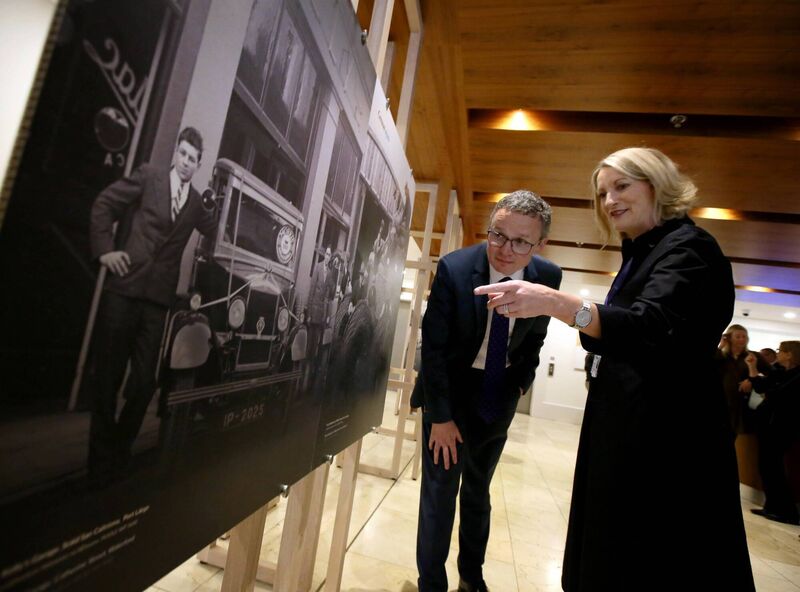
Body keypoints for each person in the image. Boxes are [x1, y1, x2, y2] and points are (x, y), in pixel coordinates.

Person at [475, 148, 755, 591]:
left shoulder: (689, 247)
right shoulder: (641, 251)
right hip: (627, 427)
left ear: (657, 184)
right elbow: (613, 329)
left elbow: (649, 326)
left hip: (665, 439)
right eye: (603, 192)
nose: (609, 200)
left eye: (621, 186)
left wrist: (556, 303)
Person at [411, 190, 561, 592]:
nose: (505, 250)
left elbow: (534, 341)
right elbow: (435, 348)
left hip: (498, 390)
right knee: (441, 492)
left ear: (538, 244)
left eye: (520, 242)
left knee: (478, 489)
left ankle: (471, 578)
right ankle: (432, 583)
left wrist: (516, 387)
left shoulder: (547, 277)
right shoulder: (456, 269)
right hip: (450, 391)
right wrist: (440, 417)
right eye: (497, 235)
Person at [87, 126, 216, 486]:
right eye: (184, 155)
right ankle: (100, 466)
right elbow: (105, 204)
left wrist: (212, 201)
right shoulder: (149, 176)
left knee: (144, 382)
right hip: (124, 288)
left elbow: (213, 228)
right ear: (176, 154)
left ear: (198, 165)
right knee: (108, 378)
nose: (188, 163)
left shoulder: (193, 205)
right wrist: (105, 251)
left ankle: (119, 447)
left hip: (157, 301)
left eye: (194, 160)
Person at [745, 341, 800, 525]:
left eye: (781, 351)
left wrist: (768, 390)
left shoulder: (796, 375)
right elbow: (762, 386)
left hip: (782, 427)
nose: (779, 354)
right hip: (771, 426)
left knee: (773, 467)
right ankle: (772, 506)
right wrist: (752, 367)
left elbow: (776, 394)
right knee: (767, 466)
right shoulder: (782, 372)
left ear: (790, 354)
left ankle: (786, 511)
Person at [716, 324, 771, 434]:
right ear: (729, 338)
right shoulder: (721, 355)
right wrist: (721, 345)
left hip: (744, 404)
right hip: (723, 401)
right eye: (738, 336)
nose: (742, 339)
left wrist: (751, 380)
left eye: (744, 336)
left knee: (742, 435)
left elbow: (771, 375)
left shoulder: (754, 356)